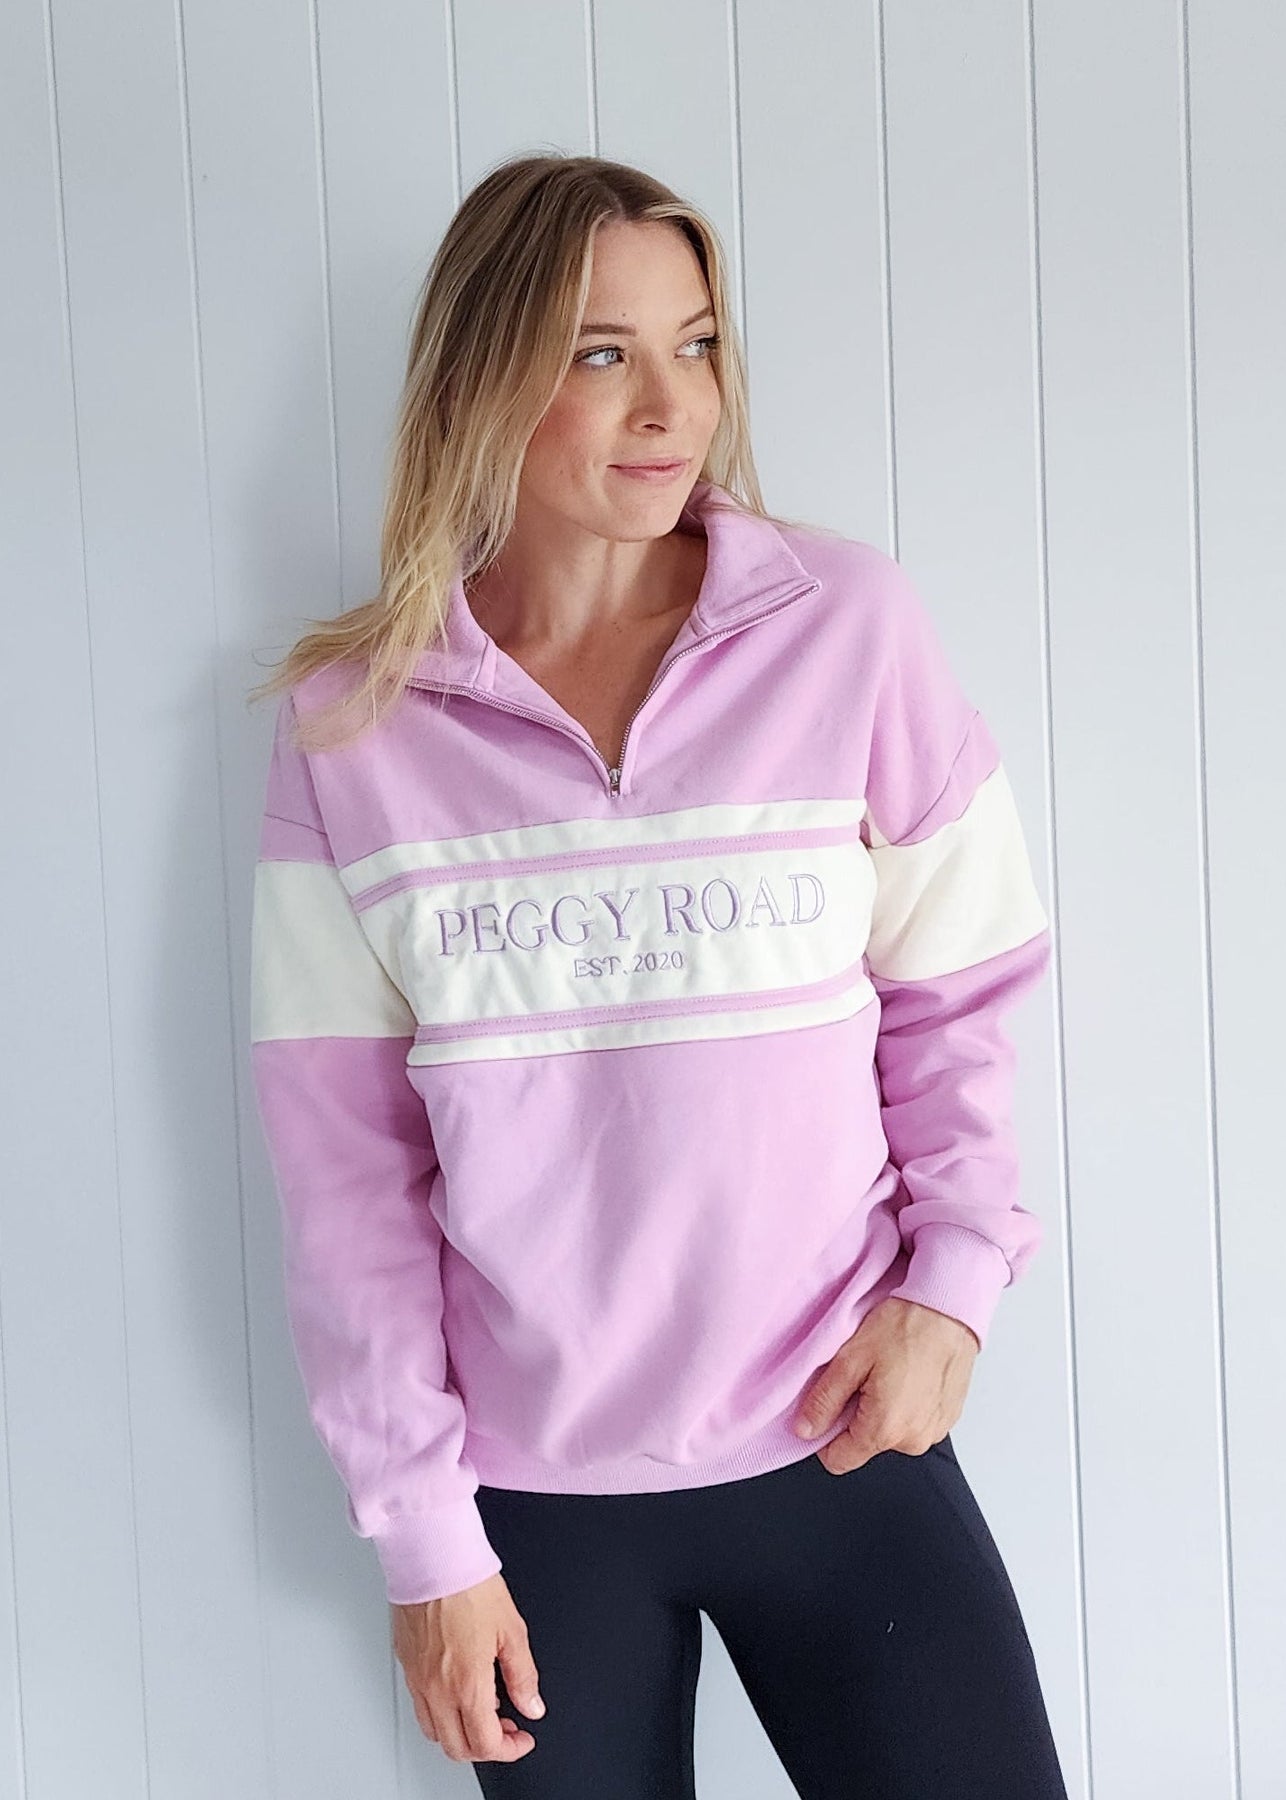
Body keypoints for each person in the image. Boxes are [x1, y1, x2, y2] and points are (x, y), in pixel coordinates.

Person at [247, 152, 1069, 1798]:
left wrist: (952, 1285)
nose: (668, 404)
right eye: (601, 352)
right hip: (535, 1517)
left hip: (843, 1438)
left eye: (694, 345)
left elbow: (961, 988)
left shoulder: (846, 627)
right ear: (483, 377)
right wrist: (423, 1541)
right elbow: (345, 1179)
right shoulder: (354, 725)